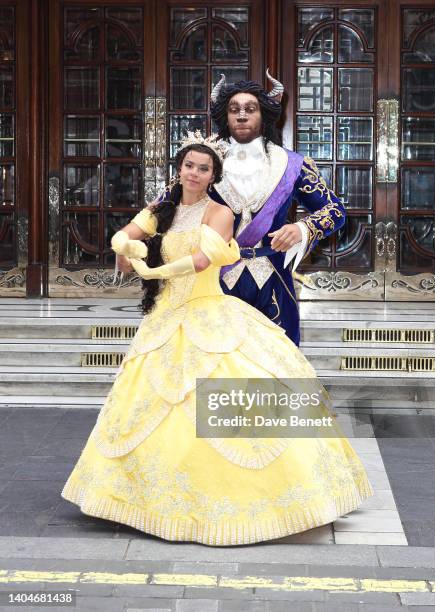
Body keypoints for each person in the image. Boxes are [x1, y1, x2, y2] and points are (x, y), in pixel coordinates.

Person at [61, 134, 372, 546]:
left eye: (203, 168)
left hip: (206, 309)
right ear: (179, 169)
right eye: (189, 165)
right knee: (151, 403)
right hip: (164, 318)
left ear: (213, 176)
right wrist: (125, 245)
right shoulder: (162, 209)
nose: (194, 173)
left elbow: (203, 261)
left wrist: (152, 271)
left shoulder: (220, 212)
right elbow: (126, 235)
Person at [209, 71, 346, 346]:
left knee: (276, 365)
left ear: (265, 115)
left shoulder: (292, 165)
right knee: (218, 366)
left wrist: (302, 228)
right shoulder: (203, 160)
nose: (242, 115)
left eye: (250, 109)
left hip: (274, 279)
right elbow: (168, 208)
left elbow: (335, 211)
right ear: (226, 116)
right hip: (214, 279)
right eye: (234, 109)